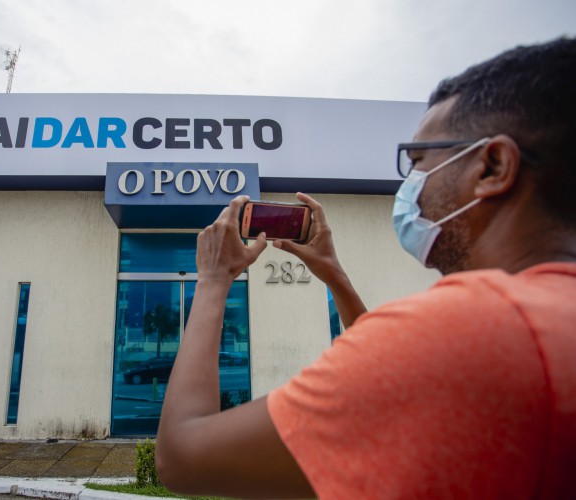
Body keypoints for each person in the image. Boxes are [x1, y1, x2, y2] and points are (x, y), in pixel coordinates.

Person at [155, 37, 576, 499]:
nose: (410, 186)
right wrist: (334, 275)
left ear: (492, 166)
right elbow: (393, 375)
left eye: (419, 162)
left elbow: (183, 457)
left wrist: (214, 280)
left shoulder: (463, 331)